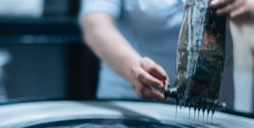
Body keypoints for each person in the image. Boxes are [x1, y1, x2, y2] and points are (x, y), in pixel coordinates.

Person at [80, 0, 235, 106]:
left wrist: (249, 5)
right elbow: (94, 24)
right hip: (132, 105)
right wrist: (135, 68)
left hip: (213, 105)